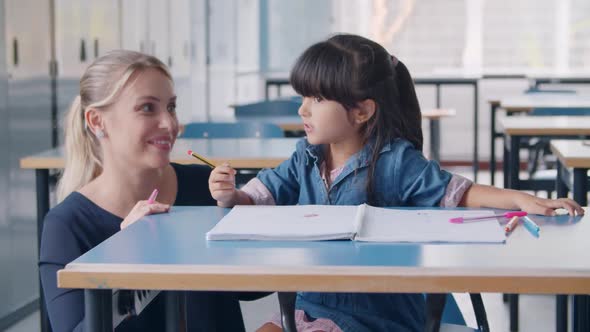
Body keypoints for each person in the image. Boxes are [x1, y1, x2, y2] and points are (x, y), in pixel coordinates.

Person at [208, 34, 584, 332]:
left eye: (317, 98)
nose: (303, 109)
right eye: (303, 96)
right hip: (310, 306)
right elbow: (258, 198)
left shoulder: (393, 160)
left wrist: (524, 199)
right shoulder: (304, 157)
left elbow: (459, 191)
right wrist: (232, 194)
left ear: (362, 111)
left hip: (375, 314)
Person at [40, 50, 263, 332]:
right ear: (97, 121)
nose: (170, 124)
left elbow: (248, 290)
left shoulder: (205, 186)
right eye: (147, 108)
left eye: (171, 107)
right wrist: (124, 258)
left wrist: (254, 219)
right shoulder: (67, 225)